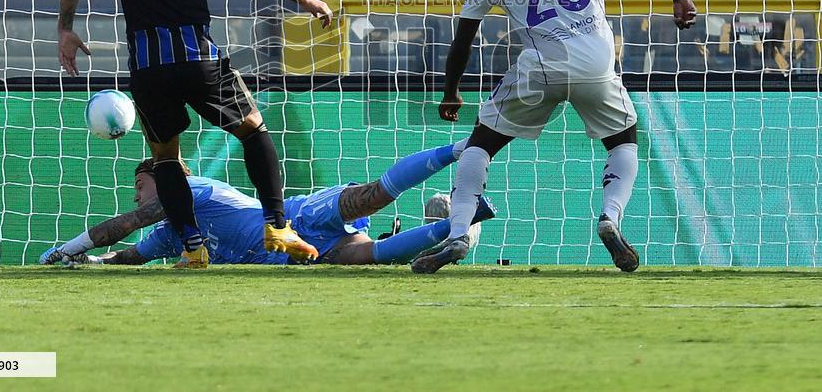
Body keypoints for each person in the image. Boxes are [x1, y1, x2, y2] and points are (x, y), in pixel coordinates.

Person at [56, 0, 333, 268]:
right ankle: (277, 225)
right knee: (254, 132)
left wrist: (65, 28)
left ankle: (191, 246)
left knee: (166, 157)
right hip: (199, 60)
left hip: (150, 68)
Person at [411, 0, 697, 274]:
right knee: (623, 141)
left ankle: (459, 232)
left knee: (481, 144)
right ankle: (610, 217)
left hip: (541, 66)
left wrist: (450, 91)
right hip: (596, 63)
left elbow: (464, 37)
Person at [40, 143, 497, 266]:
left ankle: (460, 150)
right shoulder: (167, 235)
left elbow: (127, 225)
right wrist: (94, 263)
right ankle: (459, 221)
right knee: (369, 257)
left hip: (296, 218)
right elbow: (128, 255)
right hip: (292, 255)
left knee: (372, 197)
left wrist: (71, 246)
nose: (139, 195)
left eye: (141, 184)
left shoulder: (188, 187)